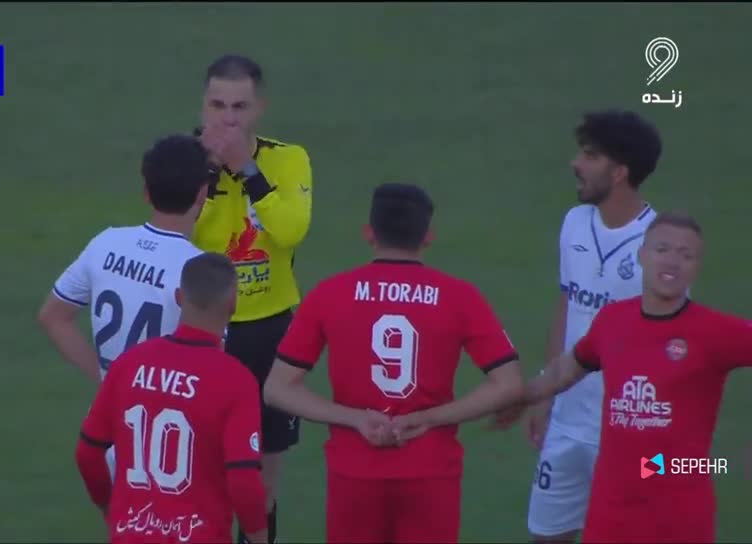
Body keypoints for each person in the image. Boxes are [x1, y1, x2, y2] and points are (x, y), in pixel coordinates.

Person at [263, 183, 525, 543]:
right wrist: (429, 418)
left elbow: (277, 388)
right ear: (427, 237)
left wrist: (354, 418)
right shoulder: (460, 297)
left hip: (353, 473)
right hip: (431, 473)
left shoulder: (329, 293)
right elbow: (509, 384)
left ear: (369, 233)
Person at [504, 212, 751, 543]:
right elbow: (566, 370)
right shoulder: (613, 321)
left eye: (686, 255)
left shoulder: (714, 331)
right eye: (663, 249)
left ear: (696, 267)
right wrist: (518, 395)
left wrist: (707, 464)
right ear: (641, 255)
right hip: (610, 515)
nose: (673, 261)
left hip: (679, 516)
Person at [192, 54, 313, 543]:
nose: (228, 118)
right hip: (204, 333)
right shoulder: (183, 161)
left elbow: (290, 231)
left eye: (239, 107)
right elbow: (175, 237)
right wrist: (207, 175)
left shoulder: (288, 158)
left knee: (261, 483)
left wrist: (247, 170)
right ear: (203, 106)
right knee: (199, 472)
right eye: (218, 105)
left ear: (259, 108)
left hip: (270, 333)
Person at [525, 110, 662, 543]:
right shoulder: (574, 223)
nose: (575, 164)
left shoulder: (659, 244)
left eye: (589, 155)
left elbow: (668, 343)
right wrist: (545, 394)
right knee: (547, 536)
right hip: (566, 423)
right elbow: (567, 307)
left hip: (625, 432)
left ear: (619, 172)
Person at [38, 134, 210, 477]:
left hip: (113, 433)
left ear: (146, 192)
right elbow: (214, 366)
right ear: (202, 194)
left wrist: (108, 380)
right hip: (173, 446)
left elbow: (53, 317)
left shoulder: (106, 244)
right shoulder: (201, 272)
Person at [75, 252, 268, 544]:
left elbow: (88, 453)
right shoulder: (236, 380)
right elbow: (244, 480)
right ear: (233, 304)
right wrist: (259, 537)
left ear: (179, 297)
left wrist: (108, 507)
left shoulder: (129, 364)